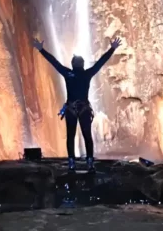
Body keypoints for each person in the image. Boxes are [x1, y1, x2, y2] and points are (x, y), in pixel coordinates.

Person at [32, 36, 122, 171]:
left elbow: (54, 62)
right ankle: (90, 161)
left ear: (73, 64)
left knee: (70, 136)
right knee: (87, 135)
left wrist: (41, 50)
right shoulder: (87, 74)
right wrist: (112, 49)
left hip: (71, 108)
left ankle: (72, 161)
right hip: (84, 108)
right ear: (83, 64)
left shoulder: (68, 73)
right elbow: (100, 62)